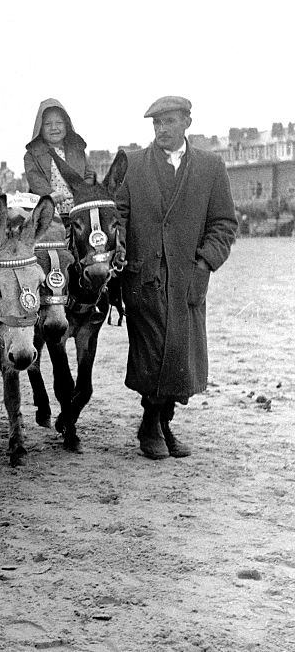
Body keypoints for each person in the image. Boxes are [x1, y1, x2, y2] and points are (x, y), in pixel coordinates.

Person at [114, 96, 237, 460]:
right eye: (156, 124)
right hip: (143, 277)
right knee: (152, 353)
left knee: (181, 355)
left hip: (188, 279)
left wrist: (205, 264)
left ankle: (158, 422)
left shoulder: (211, 167)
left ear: (187, 122)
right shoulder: (134, 166)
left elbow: (224, 224)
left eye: (168, 122)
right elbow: (117, 214)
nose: (161, 129)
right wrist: (117, 244)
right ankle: (153, 425)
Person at [24, 99, 96, 220]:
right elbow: (35, 180)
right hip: (50, 210)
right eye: (47, 124)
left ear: (66, 125)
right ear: (40, 128)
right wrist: (49, 194)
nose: (54, 128)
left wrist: (83, 191)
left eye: (59, 123)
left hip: (79, 208)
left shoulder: (78, 150)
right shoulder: (31, 155)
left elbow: (90, 174)